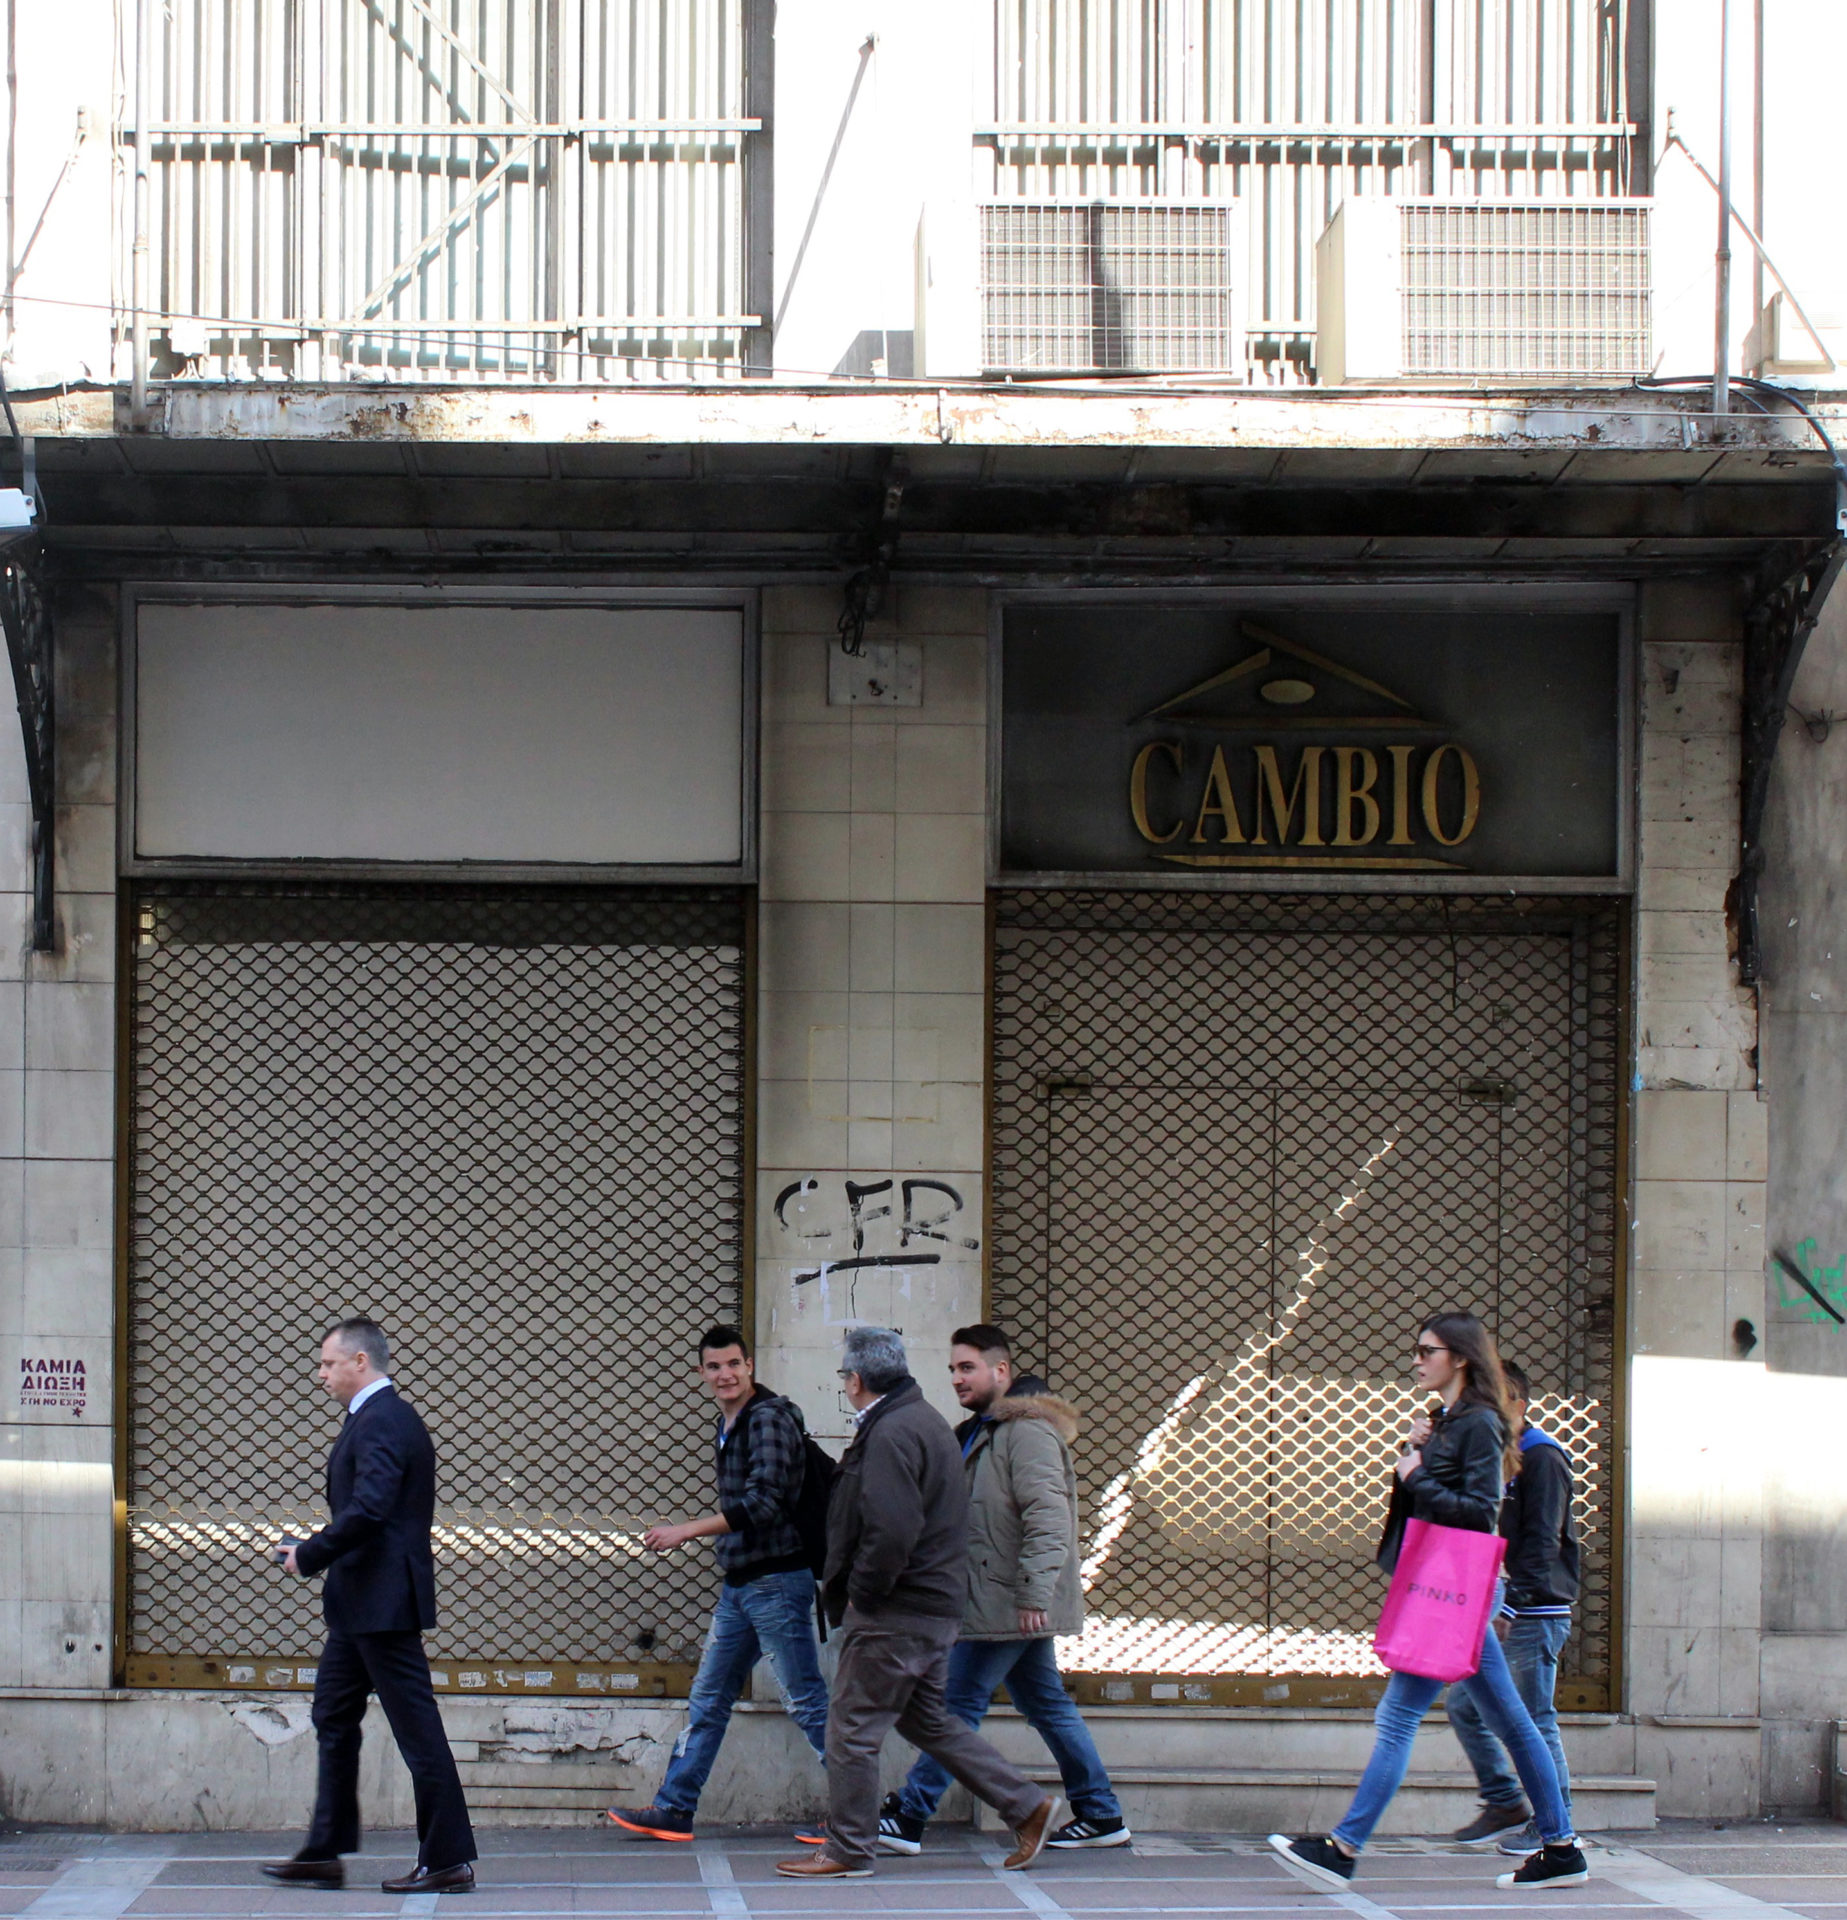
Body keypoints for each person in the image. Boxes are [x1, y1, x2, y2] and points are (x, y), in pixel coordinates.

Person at [1267, 1312, 1588, 1896]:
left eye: (1426, 1350)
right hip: (1448, 1585)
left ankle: (1343, 1848)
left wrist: (1416, 1474)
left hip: (1457, 1588)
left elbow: (1478, 1511)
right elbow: (1429, 1503)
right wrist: (1415, 1454)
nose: (1416, 1360)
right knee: (1514, 1723)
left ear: (1459, 1357)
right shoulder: (1451, 1420)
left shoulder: (1482, 1423)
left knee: (1399, 1717)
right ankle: (1561, 1847)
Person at [774, 1325, 1063, 1880]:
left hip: (896, 1612)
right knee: (929, 1721)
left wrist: (865, 1594)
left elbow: (892, 1529)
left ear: (855, 1380)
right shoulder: (921, 1420)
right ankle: (1027, 1806)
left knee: (851, 1728)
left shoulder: (891, 1432)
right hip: (930, 1608)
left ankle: (849, 1849)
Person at [876, 1324, 1129, 1854]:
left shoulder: (1027, 1432)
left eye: (967, 1367)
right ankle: (1101, 1813)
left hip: (1009, 1602)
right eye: (952, 1369)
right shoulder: (980, 1432)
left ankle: (911, 1813)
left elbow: (1049, 1517)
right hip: (998, 1598)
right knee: (1045, 1704)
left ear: (1001, 1371)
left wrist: (1034, 1593)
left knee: (956, 1705)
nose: (956, 1378)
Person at [261, 1318, 477, 1895]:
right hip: (360, 1606)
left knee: (417, 1729)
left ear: (361, 1362)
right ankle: (323, 1852)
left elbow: (372, 1508)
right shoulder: (375, 1418)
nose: (321, 1374)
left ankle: (448, 1859)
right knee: (333, 1715)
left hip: (382, 1605)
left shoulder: (384, 1419)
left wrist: (310, 1553)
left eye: (329, 1363)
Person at [606, 1324, 830, 1841]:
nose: (725, 1375)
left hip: (775, 1581)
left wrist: (687, 1530)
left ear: (750, 1365)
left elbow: (763, 1504)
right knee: (709, 1699)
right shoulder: (729, 1421)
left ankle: (857, 1814)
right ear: (702, 1372)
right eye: (714, 1366)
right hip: (742, 1585)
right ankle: (675, 1808)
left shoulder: (768, 1420)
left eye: (734, 1364)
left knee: (805, 1700)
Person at [1447, 1361, 1580, 1854]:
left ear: (1517, 1406)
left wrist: (1514, 1608)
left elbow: (1544, 1539)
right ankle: (1506, 1799)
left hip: (1533, 1611)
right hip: (1500, 1605)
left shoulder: (1541, 1457)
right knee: (1466, 1704)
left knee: (1534, 1718)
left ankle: (1554, 1824)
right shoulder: (1498, 1458)